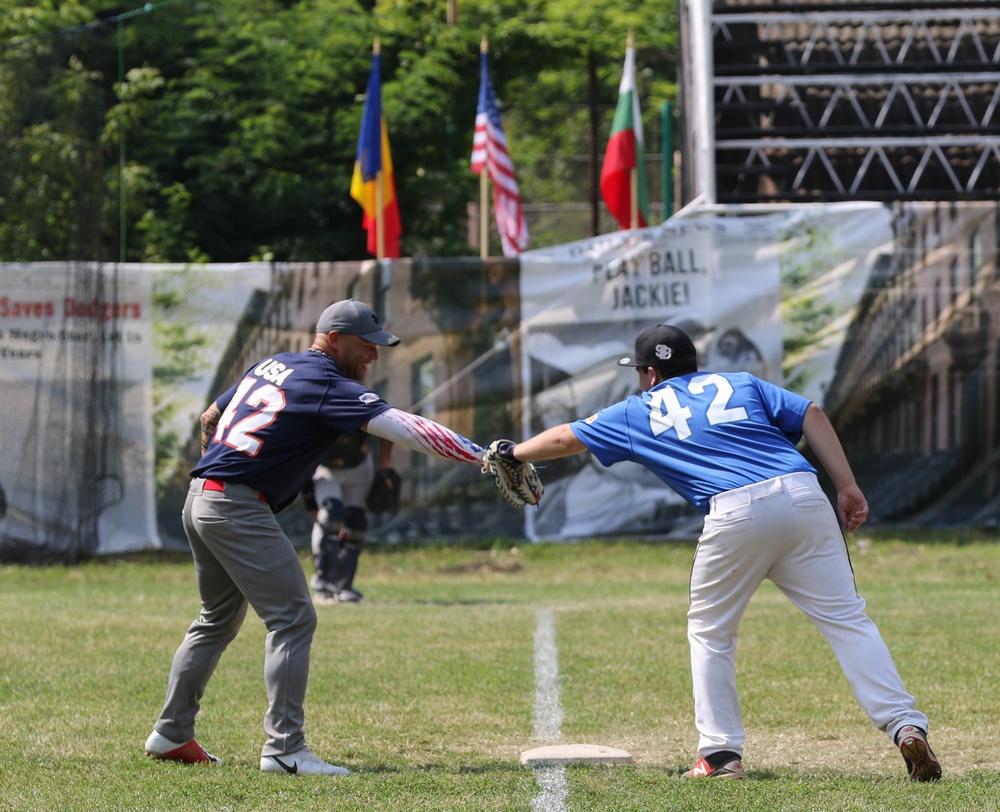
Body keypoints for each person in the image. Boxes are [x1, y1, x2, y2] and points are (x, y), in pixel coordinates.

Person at [493, 323, 941, 782]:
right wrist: (846, 485)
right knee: (848, 620)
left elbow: (568, 437)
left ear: (649, 374)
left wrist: (514, 451)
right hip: (804, 494)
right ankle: (904, 723)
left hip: (734, 512)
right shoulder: (740, 382)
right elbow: (811, 413)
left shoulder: (640, 408)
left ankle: (722, 755)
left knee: (711, 633)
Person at [145, 299, 485, 776]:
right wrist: (484, 456)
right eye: (366, 346)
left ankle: (171, 733)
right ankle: (285, 749)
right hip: (237, 506)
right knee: (293, 619)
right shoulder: (327, 379)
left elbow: (208, 419)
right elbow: (405, 428)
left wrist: (219, 473)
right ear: (333, 339)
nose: (373, 355)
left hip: (201, 495)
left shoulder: (272, 363)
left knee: (215, 620)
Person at [301, 430, 393, 603]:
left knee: (356, 525)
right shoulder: (317, 406)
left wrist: (385, 466)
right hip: (325, 466)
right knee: (331, 517)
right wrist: (310, 501)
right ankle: (324, 586)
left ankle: (344, 586)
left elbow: (386, 426)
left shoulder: (362, 402)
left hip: (359, 464)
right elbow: (301, 447)